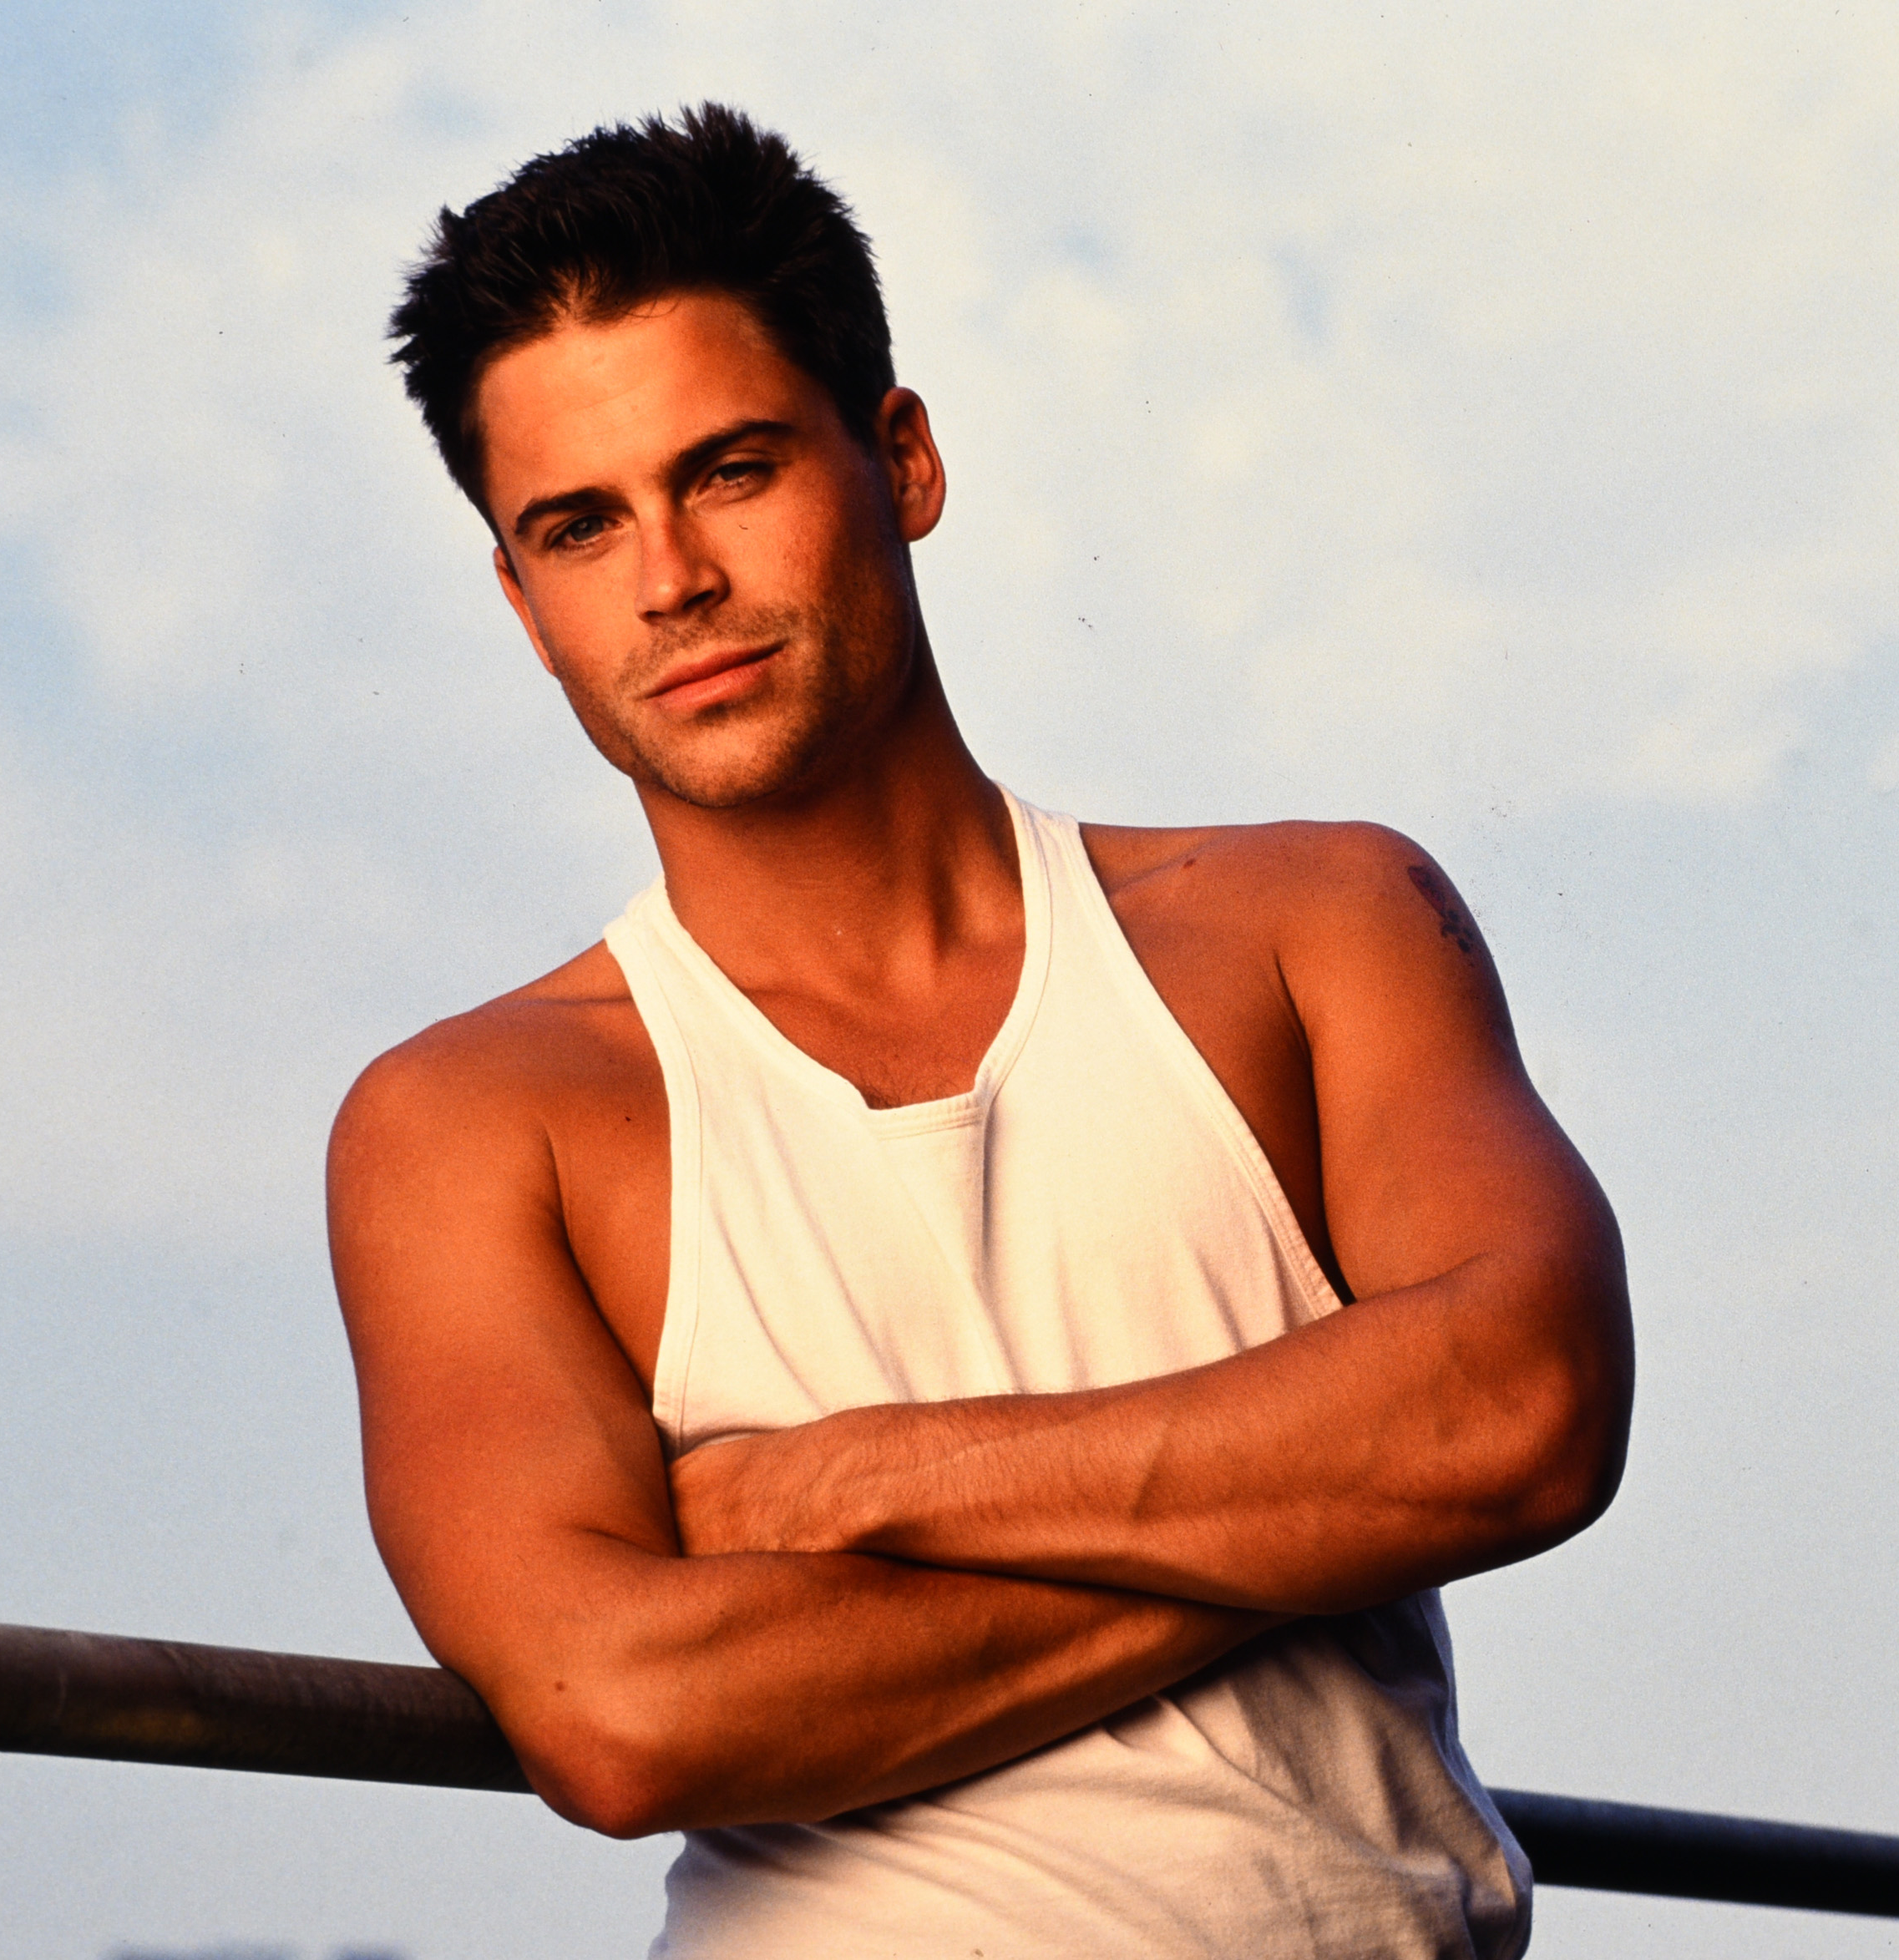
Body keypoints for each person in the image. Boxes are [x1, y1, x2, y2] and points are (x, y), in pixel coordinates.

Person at [328, 103, 1633, 1958]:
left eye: (731, 469)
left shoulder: (1313, 923)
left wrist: (855, 1482)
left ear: (904, 458)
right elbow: (626, 1716)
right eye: (578, 525)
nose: (671, 580)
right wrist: (1324, 1505)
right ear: (523, 605)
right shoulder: (476, 1119)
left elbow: (1528, 1408)